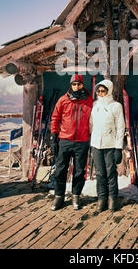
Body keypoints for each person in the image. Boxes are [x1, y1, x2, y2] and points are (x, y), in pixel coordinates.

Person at [50, 74, 93, 211]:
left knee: (80, 171)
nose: (76, 86)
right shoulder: (63, 100)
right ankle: (59, 196)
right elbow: (55, 118)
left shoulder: (89, 101)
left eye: (78, 84)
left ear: (82, 85)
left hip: (82, 141)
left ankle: (76, 195)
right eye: (74, 84)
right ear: (71, 85)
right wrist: (53, 137)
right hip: (65, 140)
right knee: (61, 169)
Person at [89, 79, 125, 213]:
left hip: (110, 144)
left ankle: (112, 198)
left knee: (110, 173)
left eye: (102, 91)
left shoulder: (116, 106)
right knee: (99, 173)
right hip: (96, 144)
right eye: (98, 91)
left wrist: (118, 147)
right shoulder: (95, 105)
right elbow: (91, 124)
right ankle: (102, 198)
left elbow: (120, 127)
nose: (100, 93)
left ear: (108, 91)